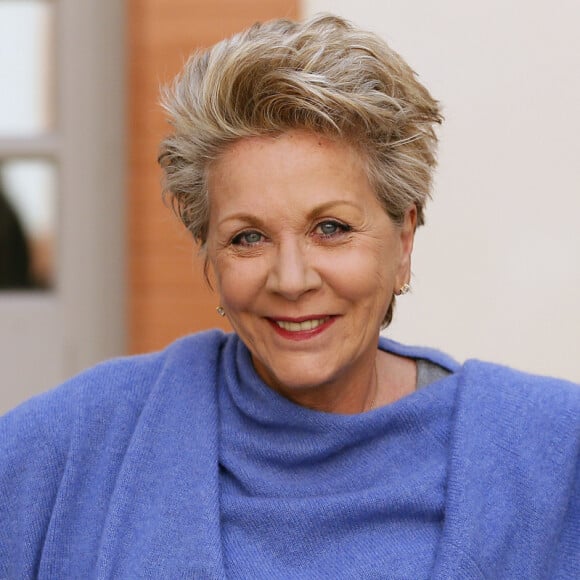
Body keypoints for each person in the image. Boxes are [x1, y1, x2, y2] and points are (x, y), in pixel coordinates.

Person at [1, 14, 578, 579]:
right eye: (247, 238)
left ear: (403, 241)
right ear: (210, 256)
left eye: (331, 228)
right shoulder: (77, 442)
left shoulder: (551, 451)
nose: (292, 279)